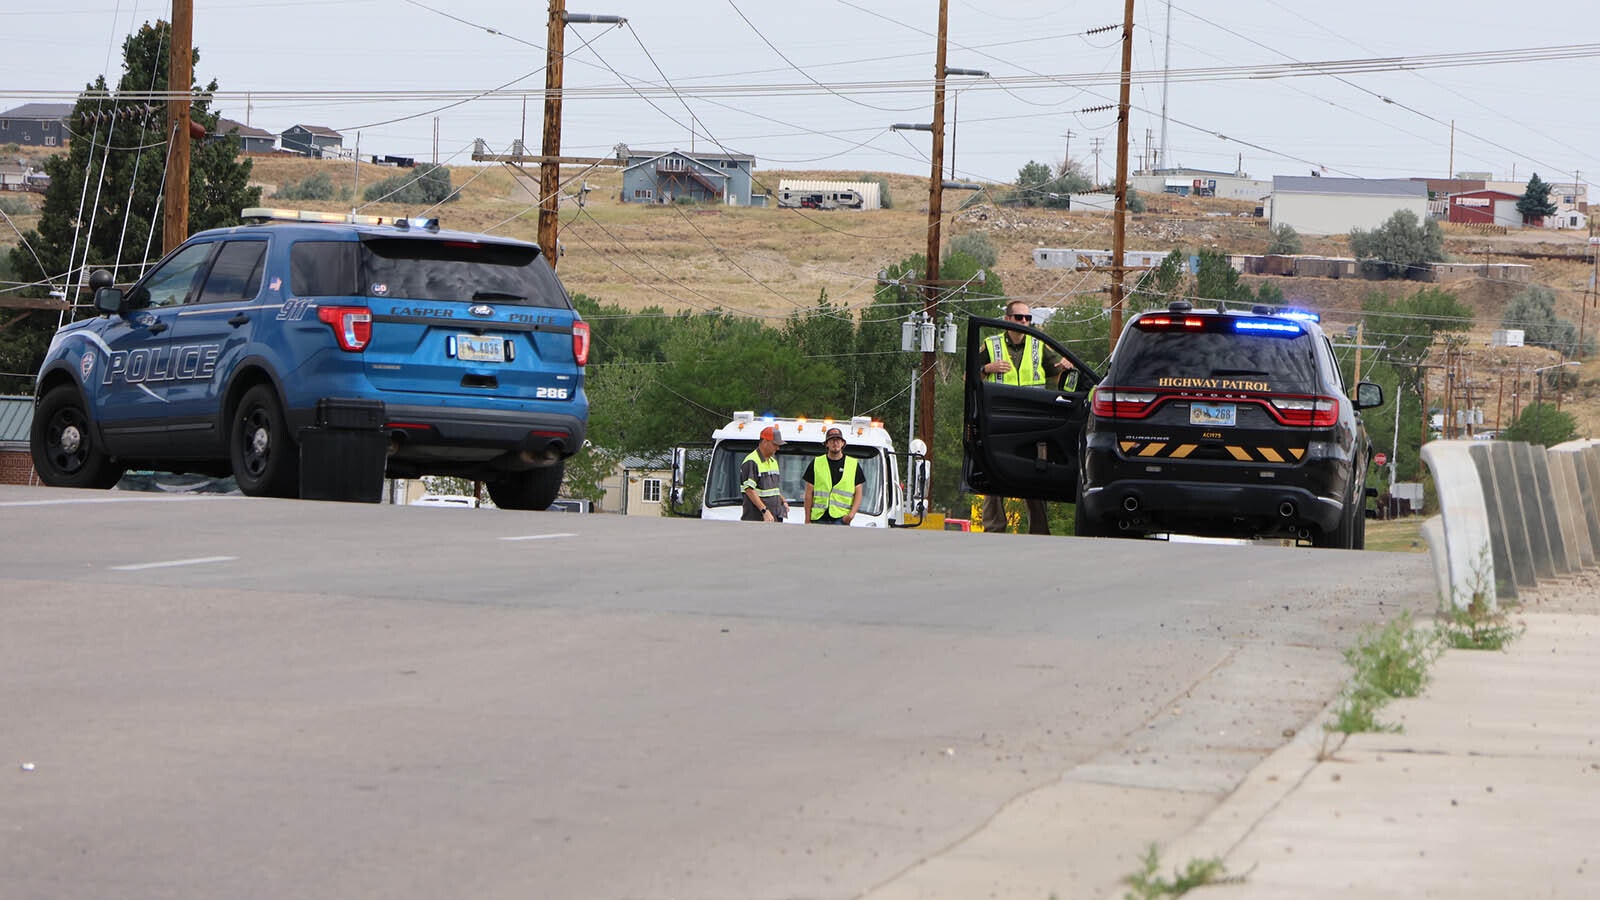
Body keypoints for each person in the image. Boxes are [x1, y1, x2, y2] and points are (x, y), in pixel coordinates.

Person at [979, 300, 1073, 535]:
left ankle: (1039, 530)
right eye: (1020, 318)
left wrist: (1065, 366)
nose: (1025, 322)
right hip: (1000, 421)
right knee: (994, 471)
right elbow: (968, 377)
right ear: (1008, 319)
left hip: (1033, 422)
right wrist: (986, 369)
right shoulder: (991, 345)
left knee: (1035, 473)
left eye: (1028, 318)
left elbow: (1057, 371)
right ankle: (994, 528)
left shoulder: (1038, 345)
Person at [803, 426, 863, 525]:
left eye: (838, 440)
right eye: (832, 440)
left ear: (843, 443)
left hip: (841, 518)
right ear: (827, 444)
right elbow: (809, 493)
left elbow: (859, 493)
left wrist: (851, 515)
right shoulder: (816, 462)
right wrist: (807, 519)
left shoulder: (853, 464)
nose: (835, 443)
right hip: (819, 517)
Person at [741, 425, 788, 523]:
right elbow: (749, 490)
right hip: (757, 519)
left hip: (774, 518)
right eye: (775, 444)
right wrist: (764, 511)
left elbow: (772, 489)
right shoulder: (752, 461)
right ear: (765, 442)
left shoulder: (773, 461)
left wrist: (782, 500)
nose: (778, 448)